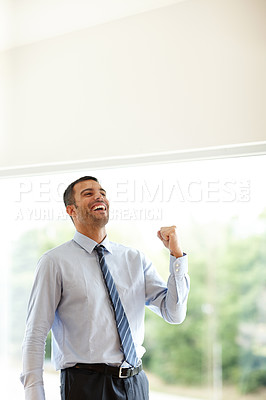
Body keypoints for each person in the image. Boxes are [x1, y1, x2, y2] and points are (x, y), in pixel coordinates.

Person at [20, 175, 190, 400]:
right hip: (86, 385)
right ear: (71, 210)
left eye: (102, 192)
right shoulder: (54, 262)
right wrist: (34, 395)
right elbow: (35, 333)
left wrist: (176, 256)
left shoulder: (135, 259)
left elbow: (174, 313)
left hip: (136, 382)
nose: (99, 196)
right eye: (88, 193)